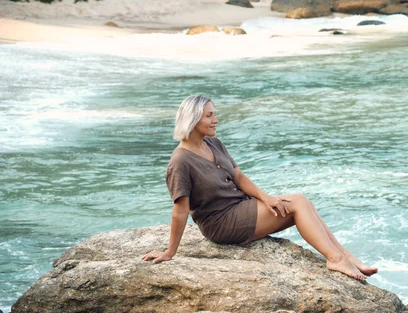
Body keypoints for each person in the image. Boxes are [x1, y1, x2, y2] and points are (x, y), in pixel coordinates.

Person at [142, 95, 378, 281]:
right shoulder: (180, 162)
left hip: (241, 207)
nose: (216, 120)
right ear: (192, 120)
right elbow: (180, 211)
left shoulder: (212, 143)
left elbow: (238, 175)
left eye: (215, 114)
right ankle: (335, 258)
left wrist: (266, 198)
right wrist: (170, 252)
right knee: (296, 203)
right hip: (221, 223)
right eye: (209, 116)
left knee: (302, 202)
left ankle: (344, 256)